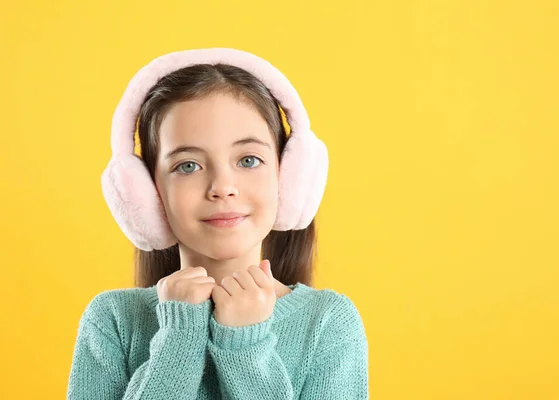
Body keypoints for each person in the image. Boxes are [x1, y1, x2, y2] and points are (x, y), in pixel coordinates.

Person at [67, 48, 369, 399]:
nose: (222, 187)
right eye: (187, 166)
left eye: (249, 159)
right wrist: (179, 338)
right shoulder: (113, 320)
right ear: (148, 193)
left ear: (288, 177)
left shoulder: (328, 322)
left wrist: (245, 346)